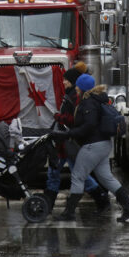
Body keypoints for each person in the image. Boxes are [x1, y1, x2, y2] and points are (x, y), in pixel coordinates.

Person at [53, 74, 129, 222]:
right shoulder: (98, 100)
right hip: (104, 144)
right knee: (106, 178)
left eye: (78, 85)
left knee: (78, 176)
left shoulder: (89, 103)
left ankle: (69, 212)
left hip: (93, 145)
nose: (76, 88)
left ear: (82, 87)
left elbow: (89, 125)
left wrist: (68, 134)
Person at [44, 67, 109, 213]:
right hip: (66, 140)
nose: (64, 82)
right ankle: (100, 198)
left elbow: (75, 118)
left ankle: (53, 206)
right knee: (65, 173)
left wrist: (59, 117)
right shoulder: (71, 95)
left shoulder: (75, 97)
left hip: (67, 141)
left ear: (74, 82)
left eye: (66, 79)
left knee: (64, 173)